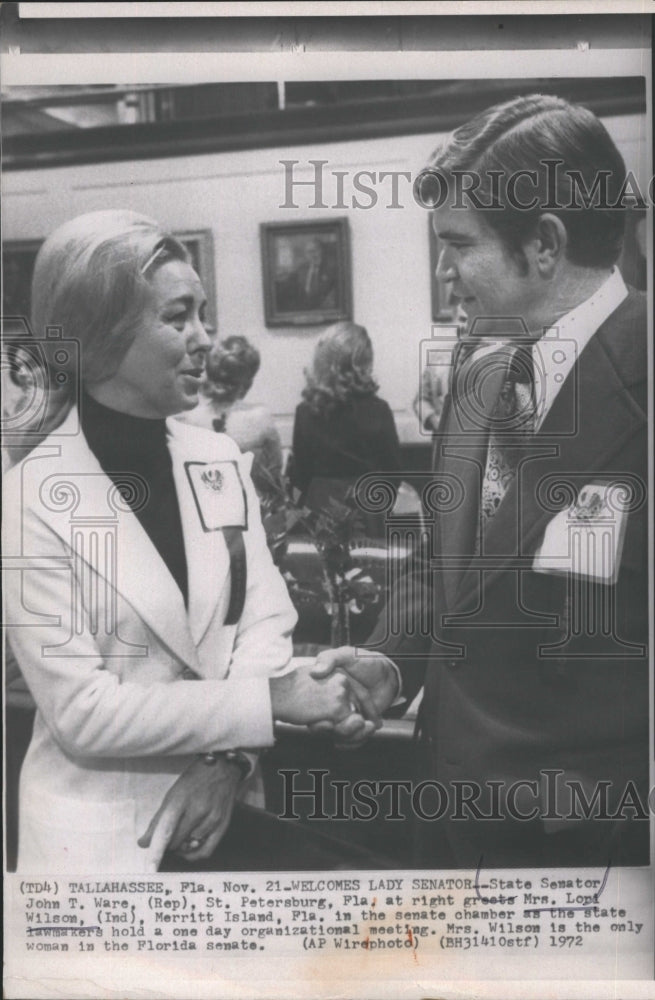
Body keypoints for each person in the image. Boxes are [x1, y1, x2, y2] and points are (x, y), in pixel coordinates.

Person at [315, 94, 649, 869]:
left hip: (592, 849)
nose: (443, 272)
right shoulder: (476, 380)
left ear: (543, 243)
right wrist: (389, 659)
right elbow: (449, 572)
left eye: (457, 245)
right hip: (449, 824)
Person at [2, 210, 379, 874]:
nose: (206, 339)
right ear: (102, 335)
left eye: (203, 313)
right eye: (179, 318)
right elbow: (82, 713)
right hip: (97, 846)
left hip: (224, 808)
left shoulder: (218, 460)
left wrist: (228, 761)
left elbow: (263, 623)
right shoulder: (32, 493)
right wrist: (270, 702)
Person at [290, 321, 401, 515]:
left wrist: (298, 513)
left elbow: (300, 476)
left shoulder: (306, 411)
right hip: (368, 506)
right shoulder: (379, 410)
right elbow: (394, 471)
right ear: (364, 363)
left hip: (320, 507)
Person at [181, 335, 284, 499]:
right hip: (252, 508)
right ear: (248, 382)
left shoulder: (190, 419)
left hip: (204, 508)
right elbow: (274, 473)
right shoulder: (261, 418)